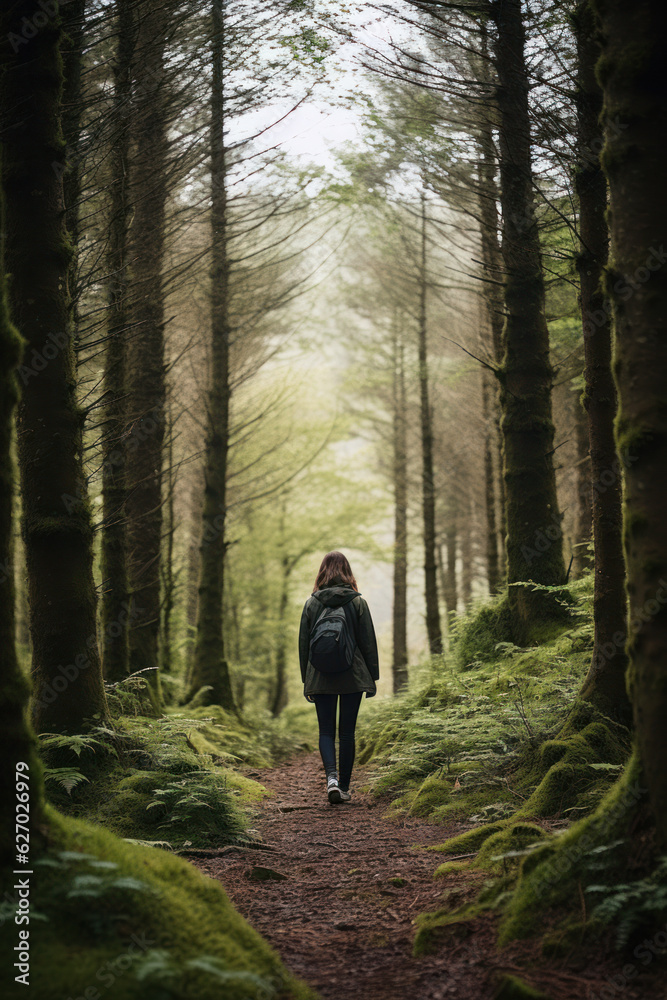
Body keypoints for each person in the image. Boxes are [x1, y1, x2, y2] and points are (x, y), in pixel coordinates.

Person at [299, 551, 379, 805]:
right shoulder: (357, 603)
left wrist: (306, 680)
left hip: (320, 675)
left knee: (325, 731)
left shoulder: (312, 603)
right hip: (352, 676)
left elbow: (303, 645)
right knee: (346, 733)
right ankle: (344, 787)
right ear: (347, 571)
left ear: (322, 571)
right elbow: (368, 643)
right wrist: (372, 677)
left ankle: (331, 780)